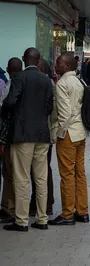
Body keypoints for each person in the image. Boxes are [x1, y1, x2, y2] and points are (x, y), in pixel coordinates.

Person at [2, 47, 53, 232]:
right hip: (42, 134)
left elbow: (9, 102)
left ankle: (22, 221)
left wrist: (10, 114)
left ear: (24, 59)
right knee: (41, 178)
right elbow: (49, 107)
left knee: (21, 177)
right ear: (38, 61)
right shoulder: (46, 81)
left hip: (22, 135)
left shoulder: (19, 78)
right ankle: (42, 219)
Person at [49, 53, 89, 226]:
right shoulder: (80, 82)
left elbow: (64, 114)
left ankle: (67, 214)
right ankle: (82, 211)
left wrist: (58, 133)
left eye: (58, 62)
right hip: (81, 133)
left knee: (67, 174)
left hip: (68, 134)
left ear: (65, 66)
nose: (55, 64)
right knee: (80, 173)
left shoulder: (62, 83)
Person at [29, 58, 55, 217]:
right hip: (45, 132)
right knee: (43, 170)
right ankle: (44, 204)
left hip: (39, 132)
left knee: (38, 172)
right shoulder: (50, 84)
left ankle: (43, 204)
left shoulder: (46, 84)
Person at [0, 57, 23, 224]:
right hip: (31, 135)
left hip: (12, 136)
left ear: (9, 68)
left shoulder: (11, 84)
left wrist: (2, 139)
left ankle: (11, 208)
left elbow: (6, 115)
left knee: (11, 173)